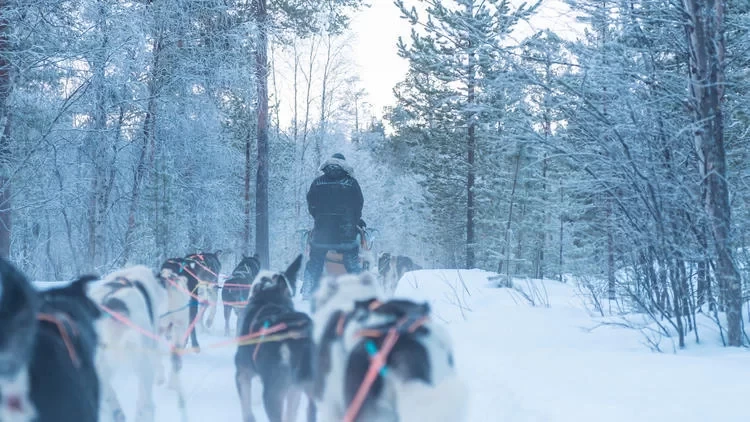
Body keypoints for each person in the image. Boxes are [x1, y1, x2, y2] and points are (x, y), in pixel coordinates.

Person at [301, 153, 364, 299]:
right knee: (352, 263)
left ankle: (308, 290)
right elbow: (358, 205)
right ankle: (360, 292)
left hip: (322, 232)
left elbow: (311, 205)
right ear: (344, 165)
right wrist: (354, 221)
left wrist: (319, 219)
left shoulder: (317, 183)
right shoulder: (352, 183)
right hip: (346, 233)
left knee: (315, 262)